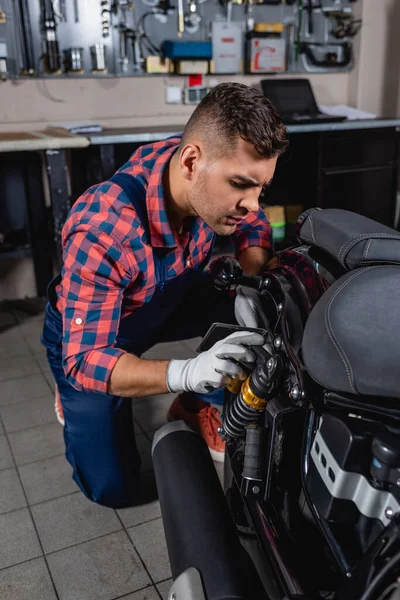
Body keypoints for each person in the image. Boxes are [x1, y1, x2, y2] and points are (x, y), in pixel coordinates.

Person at [41, 82, 288, 508]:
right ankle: (78, 398)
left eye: (260, 188)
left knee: (257, 306)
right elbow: (86, 359)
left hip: (168, 295)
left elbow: (254, 224)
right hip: (98, 337)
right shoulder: (103, 229)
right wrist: (185, 370)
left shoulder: (200, 163)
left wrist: (250, 280)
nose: (251, 203)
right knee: (112, 488)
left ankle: (199, 402)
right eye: (241, 185)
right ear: (191, 160)